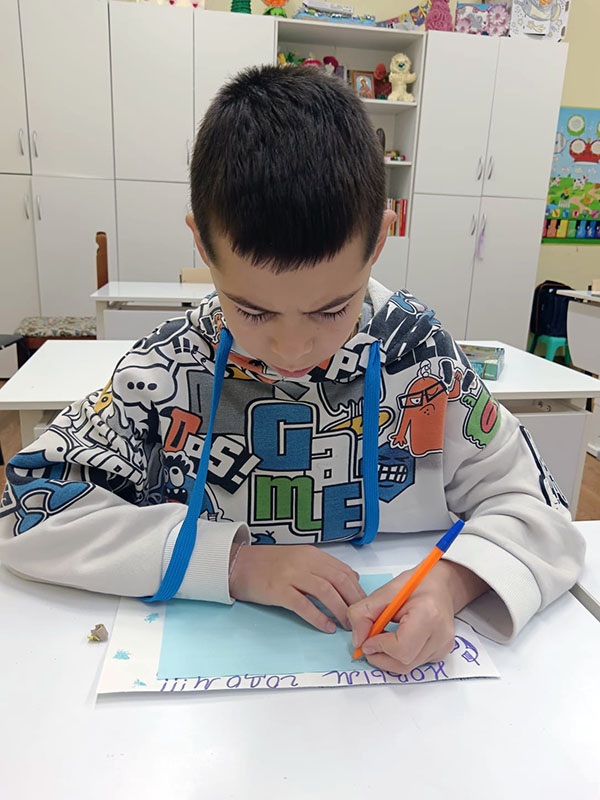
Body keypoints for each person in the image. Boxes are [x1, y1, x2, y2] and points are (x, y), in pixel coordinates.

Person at [0, 66, 584, 675]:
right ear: (202, 244)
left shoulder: (419, 357)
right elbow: (30, 510)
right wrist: (233, 563)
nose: (292, 347)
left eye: (332, 309)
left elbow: (539, 508)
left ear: (378, 242)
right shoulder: (169, 366)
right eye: (252, 310)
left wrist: (450, 584)